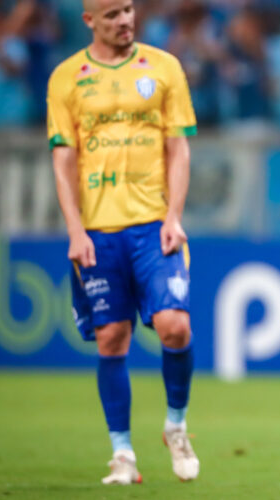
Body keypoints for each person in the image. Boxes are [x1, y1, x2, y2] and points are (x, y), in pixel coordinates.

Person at [46, 0, 199, 485]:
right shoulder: (66, 77)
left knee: (174, 326)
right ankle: (122, 454)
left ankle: (176, 425)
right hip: (97, 230)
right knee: (112, 338)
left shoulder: (164, 67)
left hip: (154, 225)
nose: (125, 20)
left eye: (129, 10)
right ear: (89, 21)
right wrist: (74, 230)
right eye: (112, 13)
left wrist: (174, 215)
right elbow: (63, 160)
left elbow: (179, 146)